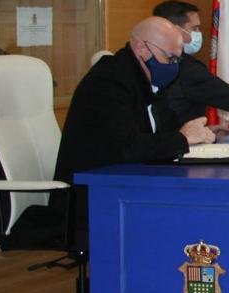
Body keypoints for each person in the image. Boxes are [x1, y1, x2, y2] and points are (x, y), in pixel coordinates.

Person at [55, 17, 217, 230]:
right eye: (169, 58)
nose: (173, 66)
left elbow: (164, 128)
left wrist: (197, 133)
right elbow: (127, 147)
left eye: (177, 60)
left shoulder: (144, 77)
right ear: (141, 48)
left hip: (129, 183)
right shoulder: (109, 81)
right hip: (96, 196)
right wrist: (183, 138)